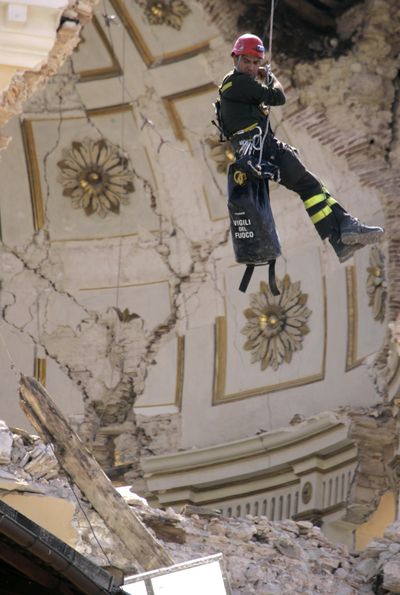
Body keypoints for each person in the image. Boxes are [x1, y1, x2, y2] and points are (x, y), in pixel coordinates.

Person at [216, 33, 384, 263]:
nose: (251, 67)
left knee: (310, 186)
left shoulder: (237, 85)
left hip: (261, 151)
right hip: (262, 151)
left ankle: (342, 236)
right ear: (234, 57)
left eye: (256, 63)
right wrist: (270, 76)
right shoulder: (237, 83)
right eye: (246, 61)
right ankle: (343, 230)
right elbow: (278, 97)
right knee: (309, 185)